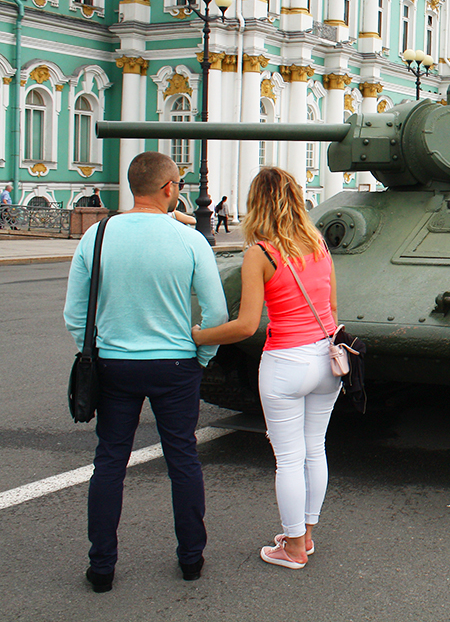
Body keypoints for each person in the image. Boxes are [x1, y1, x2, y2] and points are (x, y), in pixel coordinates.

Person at [63, 152, 228, 593]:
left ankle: (102, 568)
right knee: (182, 459)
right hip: (175, 365)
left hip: (114, 364)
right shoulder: (190, 240)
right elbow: (216, 313)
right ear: (169, 188)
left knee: (109, 462)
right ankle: (190, 559)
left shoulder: (97, 235)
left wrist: (94, 351)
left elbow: (75, 313)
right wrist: (202, 358)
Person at [192, 167, 341, 568]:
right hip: (326, 359)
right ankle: (306, 534)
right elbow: (331, 308)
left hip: (286, 362)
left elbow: (245, 326)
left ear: (257, 204)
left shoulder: (261, 253)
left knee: (288, 458)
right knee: (315, 448)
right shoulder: (318, 243)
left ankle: (292, 548)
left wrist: (200, 336)